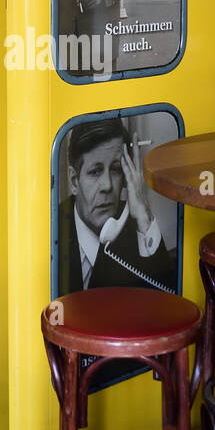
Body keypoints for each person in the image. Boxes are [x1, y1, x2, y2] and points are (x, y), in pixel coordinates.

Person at [56, 118, 174, 297]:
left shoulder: (138, 229)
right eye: (95, 172)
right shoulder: (52, 230)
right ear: (74, 181)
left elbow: (167, 304)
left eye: (115, 170)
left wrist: (144, 216)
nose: (107, 186)